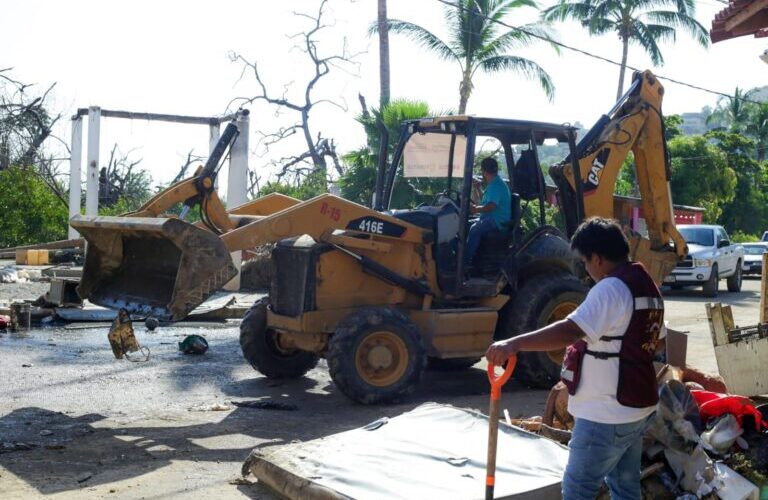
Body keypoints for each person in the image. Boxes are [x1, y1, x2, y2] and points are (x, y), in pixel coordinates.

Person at [486, 217, 664, 500]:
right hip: (636, 409)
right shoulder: (645, 284)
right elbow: (658, 340)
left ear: (597, 258)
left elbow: (569, 330)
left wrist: (514, 343)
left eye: (584, 262)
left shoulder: (611, 289)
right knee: (625, 488)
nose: (586, 269)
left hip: (605, 414)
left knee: (577, 490)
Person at [466, 157, 511, 265]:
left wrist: (475, 209)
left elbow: (491, 206)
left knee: (474, 229)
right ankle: (473, 258)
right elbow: (485, 202)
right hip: (491, 217)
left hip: (497, 220)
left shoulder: (496, 185)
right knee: (465, 224)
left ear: (484, 171)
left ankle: (465, 262)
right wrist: (477, 189)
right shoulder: (494, 184)